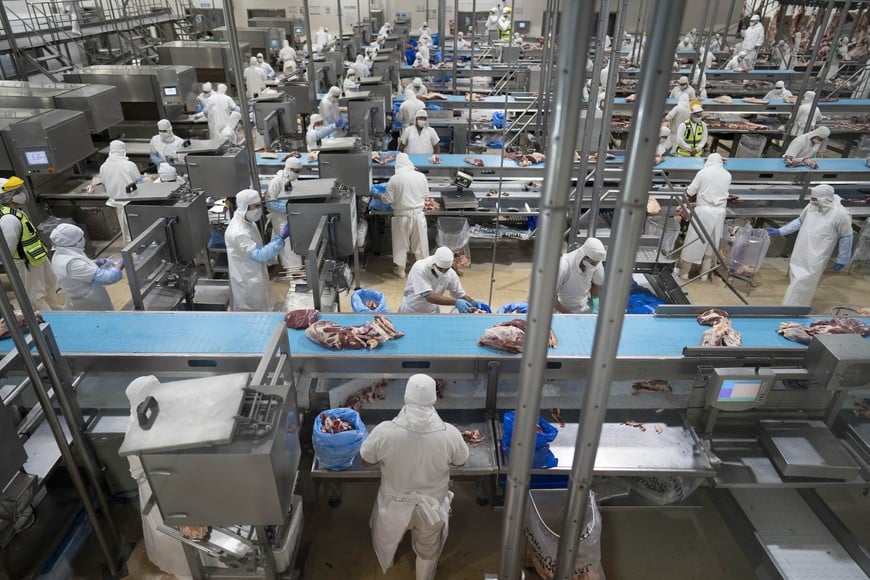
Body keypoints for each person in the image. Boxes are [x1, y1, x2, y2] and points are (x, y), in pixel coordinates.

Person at [360, 373, 469, 580]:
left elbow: (366, 460)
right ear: (434, 398)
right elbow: (461, 461)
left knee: (388, 539)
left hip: (393, 504)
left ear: (406, 396)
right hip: (431, 507)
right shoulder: (450, 434)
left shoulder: (385, 431)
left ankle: (389, 562)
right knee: (427, 550)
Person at [767, 184, 852, 306]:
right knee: (796, 278)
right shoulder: (811, 206)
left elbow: (846, 237)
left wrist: (843, 258)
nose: (812, 201)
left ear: (825, 199)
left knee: (805, 281)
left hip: (817, 255)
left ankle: (793, 308)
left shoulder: (841, 214)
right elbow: (800, 221)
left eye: (815, 199)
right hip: (801, 249)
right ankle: (790, 307)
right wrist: (781, 230)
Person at [224, 189, 289, 311]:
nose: (260, 209)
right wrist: (281, 238)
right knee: (252, 313)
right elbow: (259, 255)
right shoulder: (238, 232)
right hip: (247, 280)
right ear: (245, 206)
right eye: (256, 206)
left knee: (263, 307)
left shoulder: (248, 220)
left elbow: (257, 246)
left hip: (255, 273)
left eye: (261, 204)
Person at [0, 178, 60, 311]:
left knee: (50, 283)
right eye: (17, 192)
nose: (21, 193)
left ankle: (56, 310)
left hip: (37, 257)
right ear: (8, 197)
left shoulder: (17, 212)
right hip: (26, 262)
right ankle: (51, 319)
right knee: (36, 294)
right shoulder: (8, 219)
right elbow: (8, 248)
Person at [676, 153, 731, 281]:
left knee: (693, 241)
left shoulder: (703, 172)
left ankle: (684, 273)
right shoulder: (728, 175)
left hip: (704, 212)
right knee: (712, 243)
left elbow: (690, 192)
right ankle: (704, 275)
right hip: (719, 213)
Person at [49, 223, 124, 311]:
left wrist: (94, 263)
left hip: (83, 299)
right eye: (80, 238)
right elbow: (108, 278)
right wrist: (121, 263)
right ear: (73, 242)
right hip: (89, 304)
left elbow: (80, 269)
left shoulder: (61, 253)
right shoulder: (72, 263)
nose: (83, 239)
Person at [381, 153, 430, 278]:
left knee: (400, 244)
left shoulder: (394, 179)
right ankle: (422, 270)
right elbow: (426, 195)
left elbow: (387, 200)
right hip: (418, 215)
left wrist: (378, 195)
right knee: (420, 244)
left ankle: (401, 270)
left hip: (401, 216)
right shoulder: (421, 176)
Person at [398, 247, 489, 313]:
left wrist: (473, 302)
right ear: (434, 263)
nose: (443, 272)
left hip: (432, 312)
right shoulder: (420, 268)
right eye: (440, 269)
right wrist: (455, 302)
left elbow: (460, 294)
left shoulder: (450, 273)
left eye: (446, 269)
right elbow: (429, 296)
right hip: (411, 311)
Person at [99, 140, 142, 244]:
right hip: (133, 203)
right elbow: (140, 183)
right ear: (123, 151)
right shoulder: (129, 165)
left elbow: (104, 186)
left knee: (127, 233)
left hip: (118, 204)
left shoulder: (103, 167)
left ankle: (131, 252)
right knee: (138, 231)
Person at [265, 157, 304, 269]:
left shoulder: (293, 179)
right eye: (296, 171)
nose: (297, 174)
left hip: (291, 216)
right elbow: (270, 203)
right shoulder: (276, 182)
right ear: (288, 169)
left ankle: (276, 262)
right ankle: (294, 272)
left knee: (282, 243)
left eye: (299, 171)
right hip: (281, 218)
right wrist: (288, 208)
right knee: (289, 246)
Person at [554, 238, 607, 314]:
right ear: (585, 256)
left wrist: (595, 305)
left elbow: (596, 283)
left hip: (585, 308)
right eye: (593, 263)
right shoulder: (564, 265)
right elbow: (550, 296)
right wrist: (569, 315)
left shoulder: (597, 260)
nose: (595, 265)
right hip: (563, 309)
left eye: (597, 263)